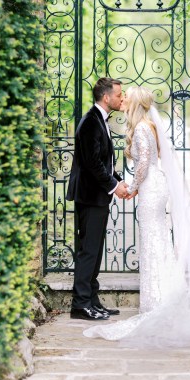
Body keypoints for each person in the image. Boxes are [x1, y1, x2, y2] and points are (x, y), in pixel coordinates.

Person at [84, 86, 190, 346]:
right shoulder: (146, 126)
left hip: (150, 189)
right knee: (154, 241)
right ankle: (158, 298)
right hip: (152, 187)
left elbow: (143, 164)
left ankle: (158, 301)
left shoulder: (143, 128)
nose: (122, 101)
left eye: (126, 99)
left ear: (135, 104)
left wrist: (131, 188)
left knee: (153, 241)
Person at [67, 77, 129, 321]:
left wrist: (117, 180)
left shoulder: (99, 120)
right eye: (118, 95)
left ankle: (91, 299)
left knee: (95, 250)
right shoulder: (91, 121)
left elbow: (103, 161)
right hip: (90, 196)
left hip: (98, 196)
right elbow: (92, 163)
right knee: (88, 251)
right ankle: (80, 304)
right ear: (106, 97)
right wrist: (115, 186)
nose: (121, 98)